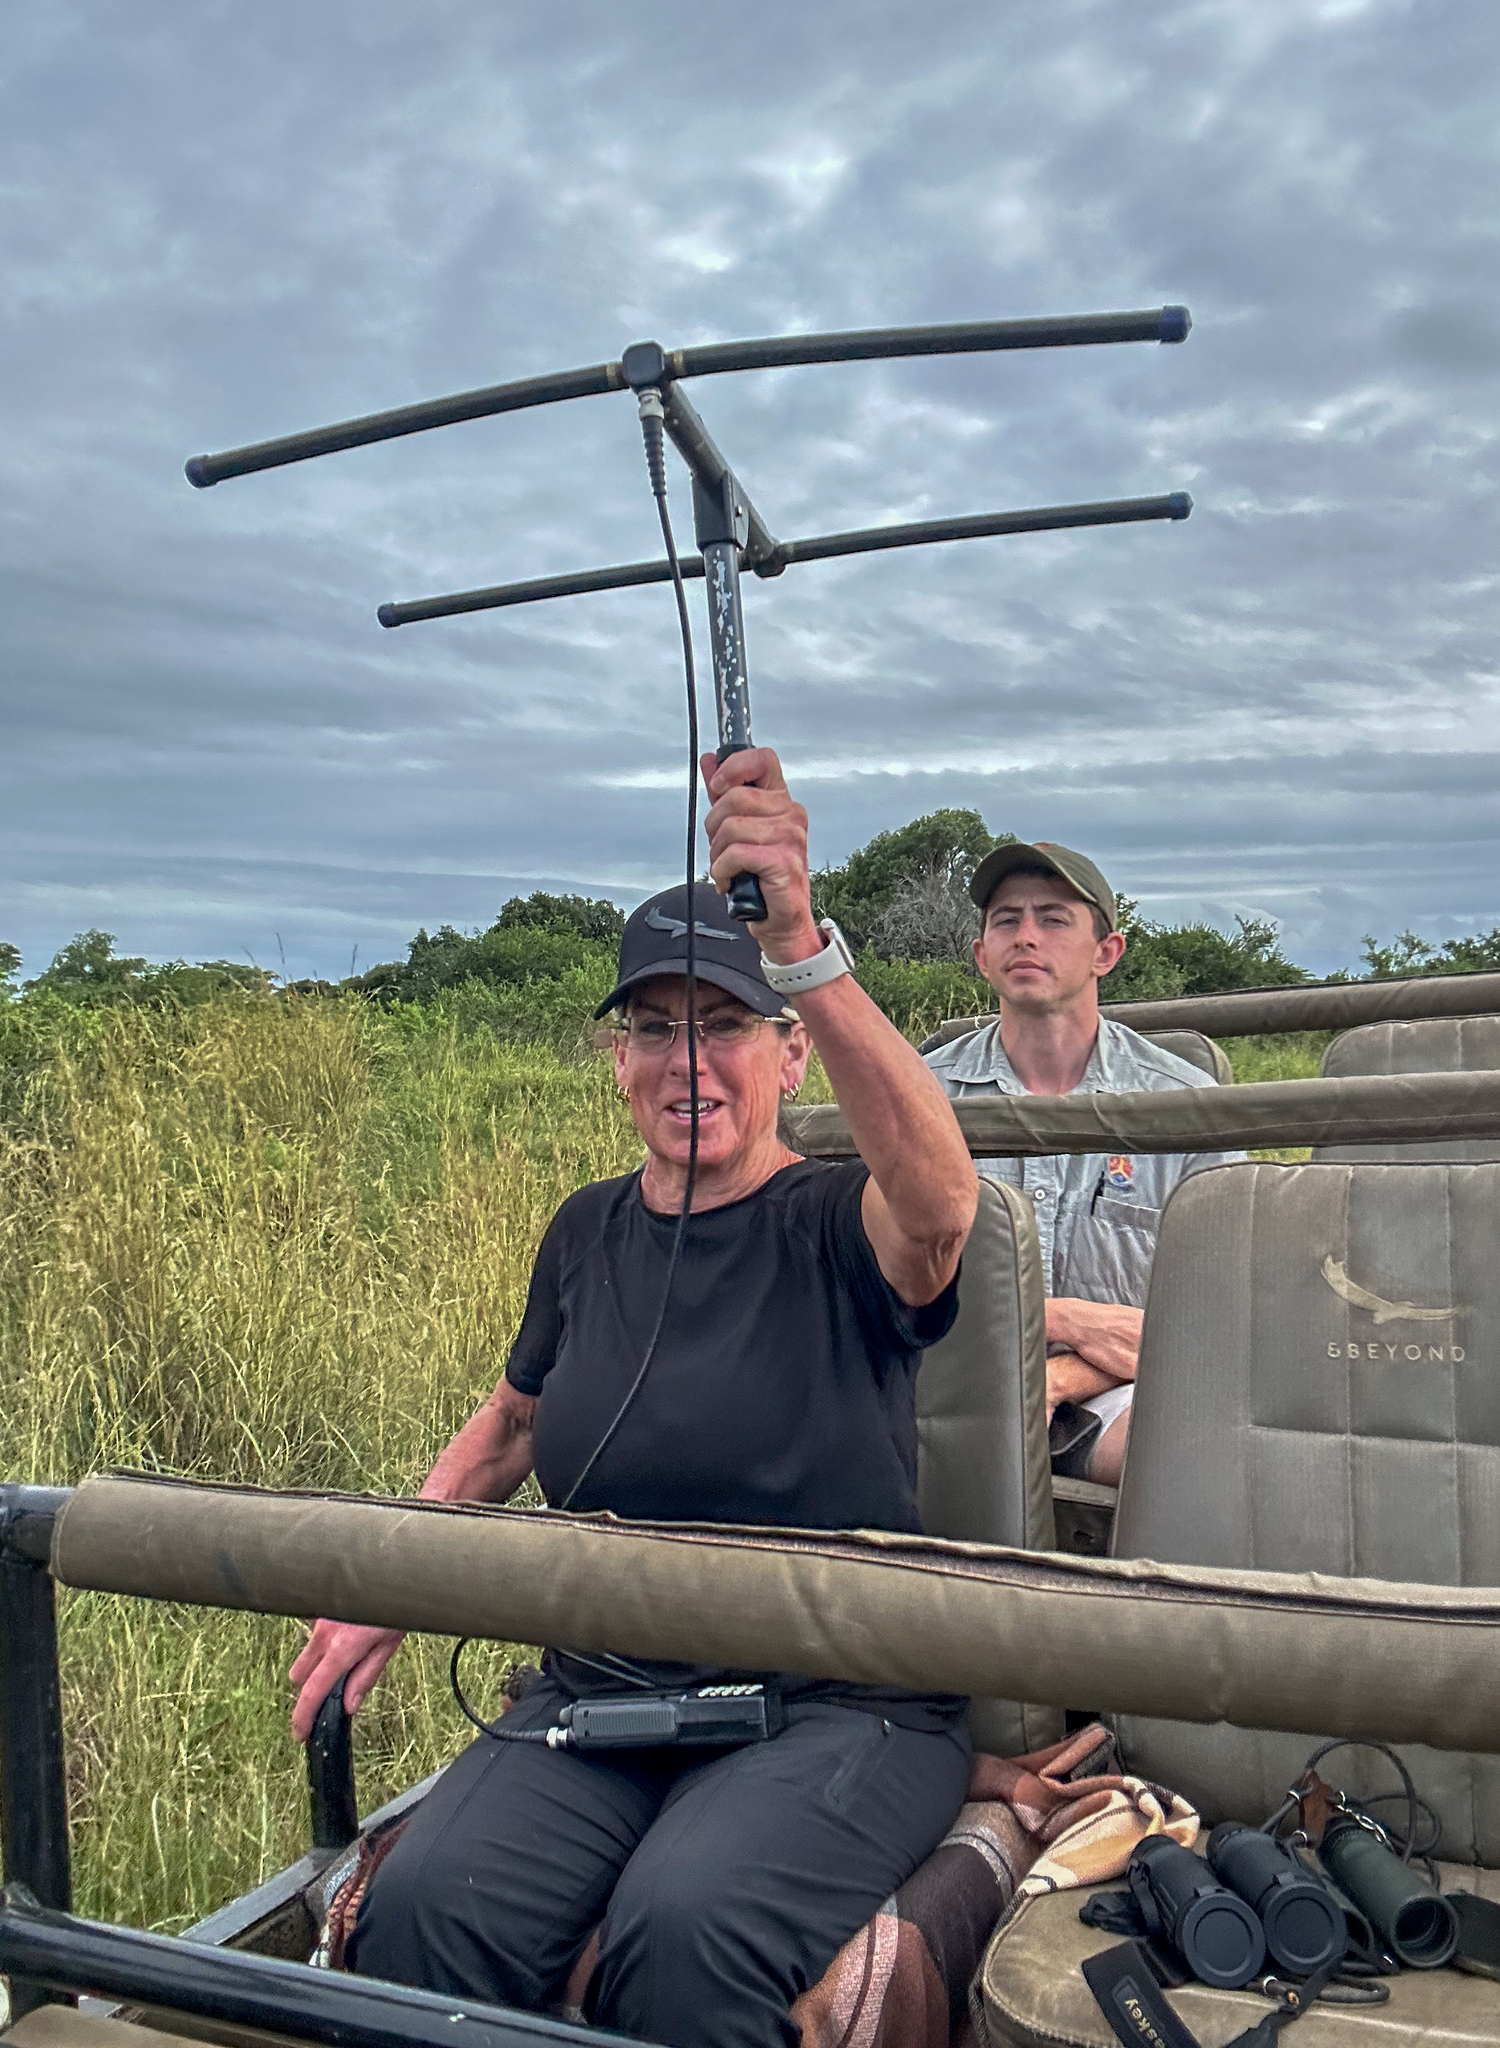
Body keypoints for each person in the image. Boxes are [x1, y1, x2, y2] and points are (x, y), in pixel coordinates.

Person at [288, 746, 980, 2048]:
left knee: (687, 1932)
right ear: (616, 1060)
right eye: (654, 1028)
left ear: (788, 1053)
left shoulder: (839, 1221)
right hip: (600, 1694)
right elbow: (510, 1427)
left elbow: (944, 1205)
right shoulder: (587, 1232)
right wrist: (384, 1581)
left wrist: (807, 944)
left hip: (838, 1702)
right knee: (425, 1910)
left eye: (722, 1024)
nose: (688, 1063)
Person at [924, 842, 1242, 1487]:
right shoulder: (919, 1096)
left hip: (1121, 1389)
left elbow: (1220, 1316)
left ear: (1107, 953)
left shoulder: (1185, 1107)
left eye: (1054, 918)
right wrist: (1063, 1320)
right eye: (1006, 919)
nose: (1026, 936)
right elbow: (871, 1286)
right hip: (941, 1380)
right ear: (982, 955)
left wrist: (1063, 1376)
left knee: (1197, 1455)